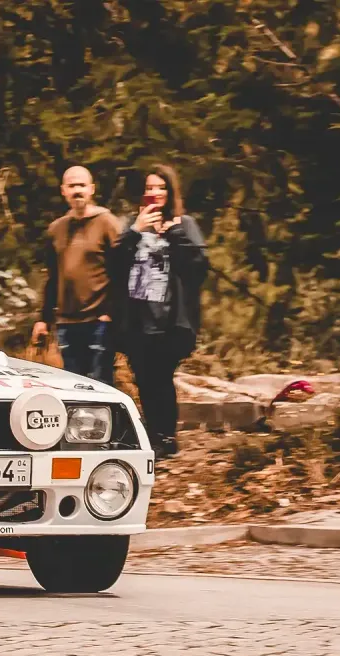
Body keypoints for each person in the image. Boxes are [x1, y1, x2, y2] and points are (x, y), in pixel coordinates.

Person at [109, 164, 208, 459]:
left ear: (170, 191)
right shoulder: (133, 223)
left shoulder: (184, 223)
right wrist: (135, 231)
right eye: (150, 188)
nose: (155, 193)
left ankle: (166, 436)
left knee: (162, 377)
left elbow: (198, 267)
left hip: (170, 318)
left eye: (161, 187)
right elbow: (113, 265)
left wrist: (174, 232)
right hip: (137, 318)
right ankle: (154, 436)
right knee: (143, 378)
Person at [32, 166, 121, 384]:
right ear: (63, 190)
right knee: (74, 384)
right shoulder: (57, 229)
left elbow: (122, 271)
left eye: (82, 185)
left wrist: (112, 312)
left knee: (100, 384)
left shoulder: (107, 223)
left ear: (92, 189)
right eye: (72, 186)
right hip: (67, 321)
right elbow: (53, 277)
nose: (77, 191)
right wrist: (43, 319)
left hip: (99, 320)